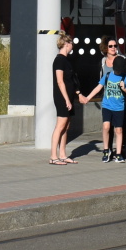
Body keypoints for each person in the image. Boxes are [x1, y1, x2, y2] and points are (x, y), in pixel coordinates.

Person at [80, 38, 126, 163]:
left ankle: (120, 151)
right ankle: (107, 149)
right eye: (111, 46)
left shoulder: (122, 60)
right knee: (106, 126)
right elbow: (99, 83)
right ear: (105, 48)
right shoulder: (104, 63)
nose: (114, 47)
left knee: (119, 128)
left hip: (120, 100)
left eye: (115, 45)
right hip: (108, 99)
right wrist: (88, 97)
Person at [50, 33, 77, 165]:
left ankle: (63, 154)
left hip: (69, 97)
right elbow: (60, 82)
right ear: (66, 44)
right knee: (60, 126)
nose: (72, 46)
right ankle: (53, 156)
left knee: (66, 126)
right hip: (62, 97)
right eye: (71, 43)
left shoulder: (66, 60)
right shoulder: (59, 60)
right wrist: (66, 99)